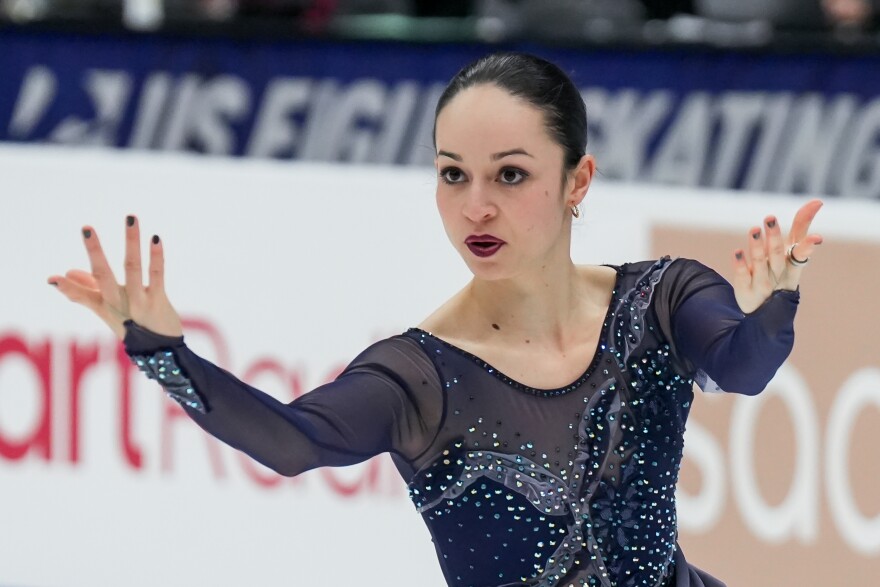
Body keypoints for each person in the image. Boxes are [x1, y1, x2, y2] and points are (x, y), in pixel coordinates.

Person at [48, 53, 823, 587]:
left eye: (510, 174)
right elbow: (291, 441)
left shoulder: (660, 300)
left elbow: (742, 367)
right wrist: (159, 352)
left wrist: (775, 302)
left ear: (577, 179)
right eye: (453, 174)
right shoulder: (419, 376)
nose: (474, 206)